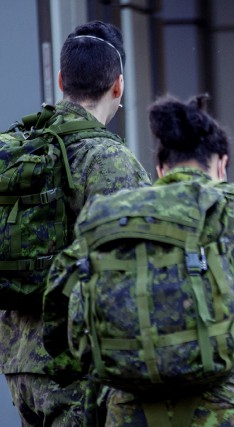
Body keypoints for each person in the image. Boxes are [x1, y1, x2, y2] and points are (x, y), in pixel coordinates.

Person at [45, 93, 234, 426]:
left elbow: (65, 313)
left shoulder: (115, 215)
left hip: (132, 413)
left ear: (161, 167)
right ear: (221, 163)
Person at [0, 21, 151, 426]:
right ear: (118, 86)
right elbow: (133, 267)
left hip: (20, 361)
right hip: (76, 367)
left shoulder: (26, 143)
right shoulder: (109, 159)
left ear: (62, 79)